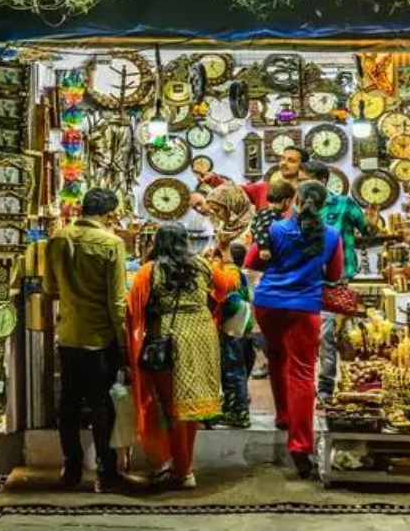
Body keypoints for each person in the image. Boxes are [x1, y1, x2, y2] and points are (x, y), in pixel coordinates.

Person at [126, 223, 239, 489]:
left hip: (171, 338)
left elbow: (131, 306)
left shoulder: (150, 271)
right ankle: (183, 466)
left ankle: (183, 469)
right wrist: (227, 258)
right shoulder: (200, 265)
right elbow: (227, 286)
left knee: (174, 407)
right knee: (193, 406)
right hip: (202, 335)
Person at [245, 181, 343, 479]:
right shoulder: (331, 235)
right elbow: (335, 276)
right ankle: (300, 446)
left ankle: (283, 417)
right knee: (302, 373)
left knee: (276, 358)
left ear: (295, 200)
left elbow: (251, 262)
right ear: (323, 204)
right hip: (304, 307)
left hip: (269, 303)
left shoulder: (274, 230)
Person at [43, 188, 130, 493]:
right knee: (101, 405)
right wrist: (124, 342)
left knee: (68, 404)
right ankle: (106, 473)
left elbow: (50, 287)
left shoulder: (57, 238)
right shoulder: (112, 243)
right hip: (99, 337)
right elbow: (117, 302)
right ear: (108, 215)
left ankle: (72, 469)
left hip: (68, 335)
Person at [303, 160, 374, 402]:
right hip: (303, 279)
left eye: (306, 179)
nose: (301, 184)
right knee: (304, 335)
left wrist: (371, 221)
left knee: (326, 336)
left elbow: (368, 231)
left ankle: (324, 387)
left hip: (334, 281)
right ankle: (304, 385)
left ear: (321, 181)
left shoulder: (343, 204)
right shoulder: (297, 208)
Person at [194, 145, 310, 210]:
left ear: (302, 166)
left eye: (291, 161)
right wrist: (213, 180)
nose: (284, 163)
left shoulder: (309, 193)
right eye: (282, 159)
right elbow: (235, 191)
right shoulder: (264, 188)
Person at [214, 241, 254, 428]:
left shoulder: (231, 273)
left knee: (233, 371)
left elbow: (234, 302)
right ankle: (232, 408)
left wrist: (219, 313)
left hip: (233, 329)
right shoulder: (240, 273)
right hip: (242, 329)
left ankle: (239, 412)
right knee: (234, 370)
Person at [251, 181, 296, 261]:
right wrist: (264, 248)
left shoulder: (263, 212)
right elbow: (261, 229)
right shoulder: (269, 214)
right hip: (263, 256)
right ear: (287, 201)